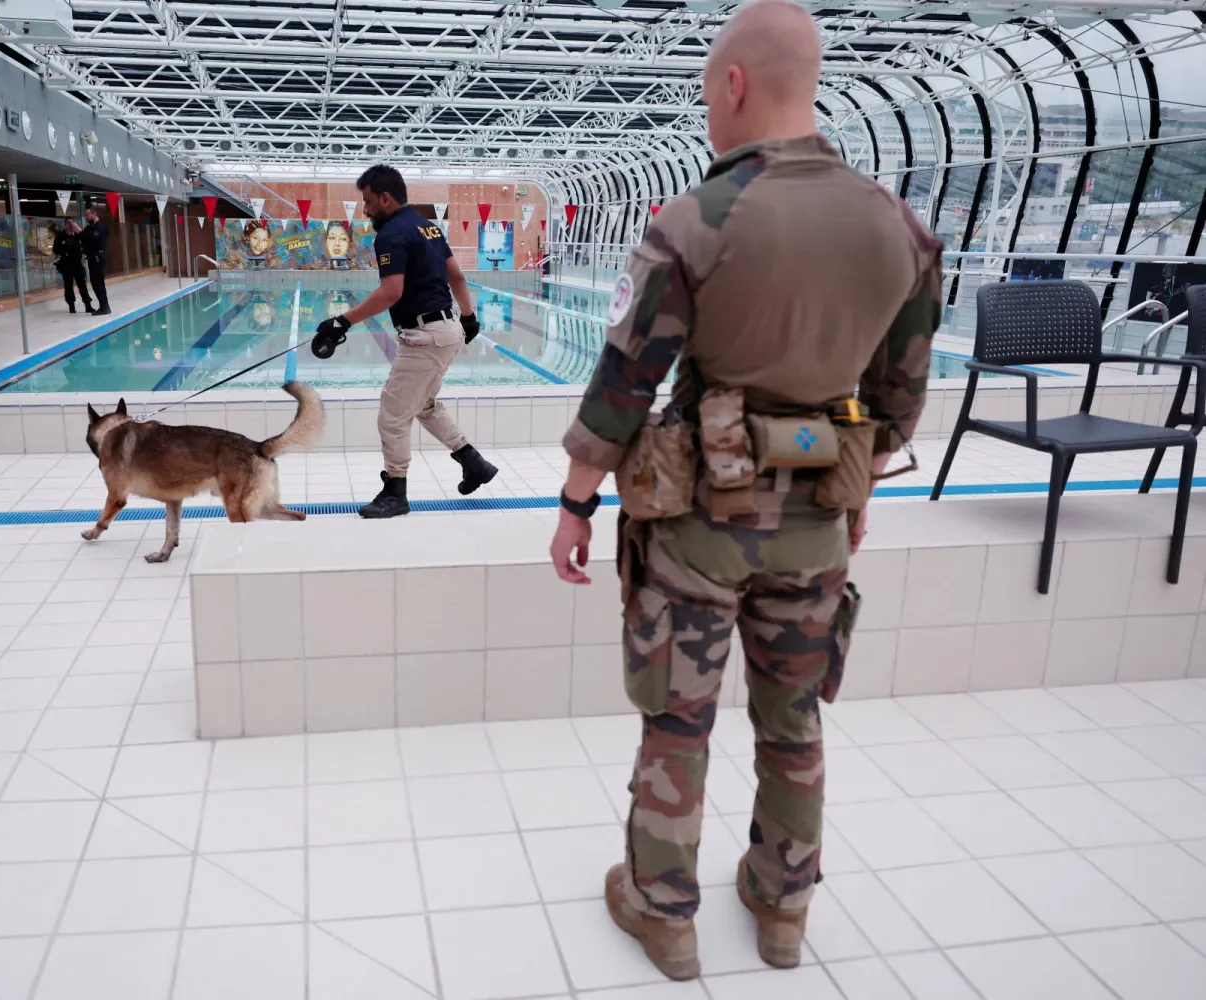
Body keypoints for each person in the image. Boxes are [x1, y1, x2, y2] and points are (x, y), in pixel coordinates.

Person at [546, 0, 942, 981]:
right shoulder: (898, 225)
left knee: (679, 720)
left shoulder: (697, 218)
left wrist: (577, 499)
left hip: (696, 525)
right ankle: (782, 908)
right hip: (819, 519)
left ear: (731, 85)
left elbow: (627, 380)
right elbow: (899, 401)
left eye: (705, 96)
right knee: (793, 719)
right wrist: (855, 493)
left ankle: (663, 912)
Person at [315, 164, 500, 518]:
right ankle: (474, 463)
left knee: (392, 415)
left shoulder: (391, 235)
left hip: (425, 336)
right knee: (424, 405)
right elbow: (458, 277)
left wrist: (342, 321)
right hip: (447, 332)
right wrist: (469, 317)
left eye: (368, 202)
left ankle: (395, 491)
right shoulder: (428, 227)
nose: (365, 210)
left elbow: (390, 293)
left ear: (386, 199)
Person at [53, 218, 93, 314]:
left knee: (82, 285)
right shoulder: (60, 236)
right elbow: (55, 249)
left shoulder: (77, 236)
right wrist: (64, 252)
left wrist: (77, 229)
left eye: (72, 223)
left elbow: (86, 240)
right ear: (65, 225)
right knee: (68, 285)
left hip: (77, 264)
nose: (70, 225)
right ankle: (71, 305)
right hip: (66, 264)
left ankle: (88, 305)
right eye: (68, 223)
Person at [81, 205, 112, 315]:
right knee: (95, 283)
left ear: (94, 214)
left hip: (97, 258)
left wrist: (82, 233)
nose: (86, 217)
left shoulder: (101, 226)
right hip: (92, 258)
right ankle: (103, 305)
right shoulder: (91, 228)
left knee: (98, 282)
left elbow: (93, 238)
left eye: (87, 215)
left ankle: (104, 306)